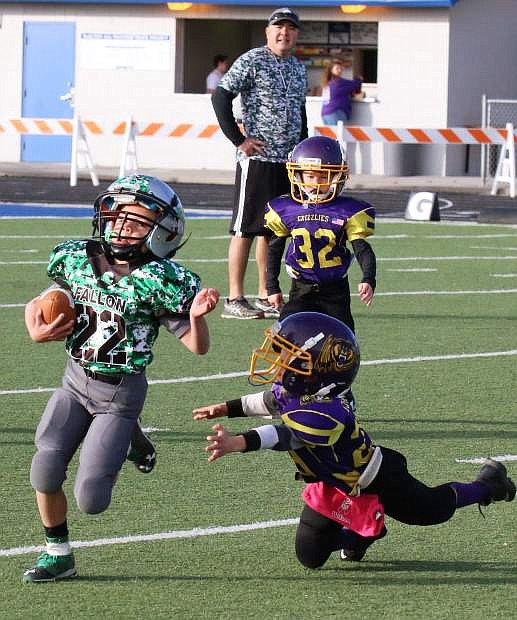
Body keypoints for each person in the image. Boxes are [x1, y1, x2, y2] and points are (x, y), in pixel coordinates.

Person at [193, 312, 516, 569]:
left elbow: (284, 436)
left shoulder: (327, 410)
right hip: (332, 482)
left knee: (431, 510)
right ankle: (366, 531)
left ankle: (488, 484)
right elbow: (269, 401)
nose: (278, 363)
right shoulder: (305, 388)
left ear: (320, 370)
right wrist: (227, 408)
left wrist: (238, 442)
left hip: (376, 477)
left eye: (290, 357)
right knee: (310, 556)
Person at [22, 174, 219, 583]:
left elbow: (197, 348)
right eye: (118, 214)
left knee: (92, 499)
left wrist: (196, 318)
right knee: (44, 469)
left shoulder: (161, 279)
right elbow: (40, 302)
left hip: (120, 394)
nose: (123, 225)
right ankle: (58, 553)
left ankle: (130, 434)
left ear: (163, 232)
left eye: (137, 218)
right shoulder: (77, 257)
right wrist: (35, 327)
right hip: (75, 381)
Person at [211, 6, 308, 320]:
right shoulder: (253, 59)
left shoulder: (297, 67)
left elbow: (300, 113)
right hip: (258, 160)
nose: (284, 33)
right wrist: (239, 141)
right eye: (278, 27)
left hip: (288, 162)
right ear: (268, 32)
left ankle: (267, 293)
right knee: (245, 229)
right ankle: (234, 298)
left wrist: (303, 153)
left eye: (290, 28)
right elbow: (220, 96)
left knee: (274, 230)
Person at [264, 135, 376, 335]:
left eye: (324, 177)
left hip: (335, 291)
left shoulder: (348, 211)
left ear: (337, 177)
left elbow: (362, 249)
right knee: (283, 336)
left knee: (341, 344)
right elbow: (274, 249)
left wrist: (368, 278)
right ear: (298, 175)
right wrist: (272, 287)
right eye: (310, 176)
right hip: (300, 289)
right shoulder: (286, 208)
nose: (317, 183)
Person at [321, 59, 363, 126]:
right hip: (335, 112)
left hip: (325, 113)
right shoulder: (339, 82)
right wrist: (359, 79)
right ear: (331, 70)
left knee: (329, 136)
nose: (340, 70)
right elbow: (356, 84)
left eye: (341, 68)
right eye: (337, 68)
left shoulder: (328, 82)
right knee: (338, 135)